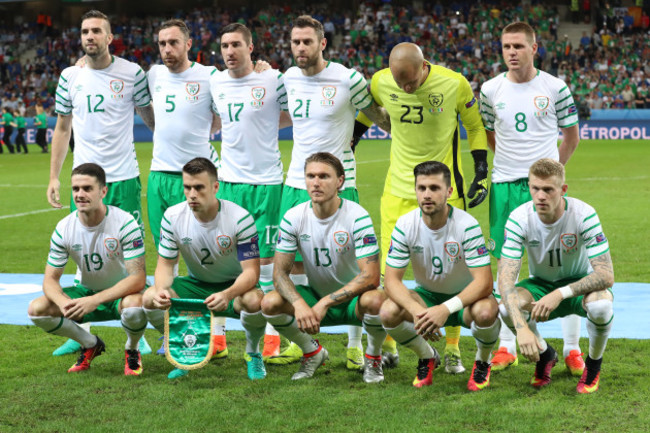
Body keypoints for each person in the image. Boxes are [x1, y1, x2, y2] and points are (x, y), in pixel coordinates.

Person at [355, 42, 489, 373]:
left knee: (452, 272)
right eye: (400, 84)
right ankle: (391, 342)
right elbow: (365, 111)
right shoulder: (380, 81)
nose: (406, 88)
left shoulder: (453, 82)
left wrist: (482, 171)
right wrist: (351, 142)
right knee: (390, 273)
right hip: (397, 191)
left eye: (411, 82)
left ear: (423, 66)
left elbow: (474, 126)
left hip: (444, 190)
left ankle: (454, 347)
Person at [277, 15, 390, 369]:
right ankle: (304, 341)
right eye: (295, 42)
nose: (300, 48)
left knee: (349, 262)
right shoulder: (288, 79)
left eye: (307, 41)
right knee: (294, 262)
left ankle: (355, 344)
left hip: (343, 183)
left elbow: (380, 117)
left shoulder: (347, 78)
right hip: (295, 182)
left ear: (322, 43)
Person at [47, 9, 154, 356]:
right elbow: (63, 129)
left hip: (122, 178)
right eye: (84, 31)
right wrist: (54, 177)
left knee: (130, 259)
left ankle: (135, 330)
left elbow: (150, 118)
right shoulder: (69, 77)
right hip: (85, 178)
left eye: (96, 31)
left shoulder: (133, 73)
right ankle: (81, 329)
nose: (89, 36)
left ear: (110, 37)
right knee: (84, 252)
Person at [480, 22, 583, 375]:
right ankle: (509, 345)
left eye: (518, 46)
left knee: (562, 262)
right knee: (505, 264)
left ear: (534, 47)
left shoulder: (555, 87)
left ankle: (572, 348)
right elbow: (492, 137)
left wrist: (550, 175)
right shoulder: (490, 89)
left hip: (542, 186)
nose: (511, 52)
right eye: (506, 46)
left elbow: (571, 137)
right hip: (505, 185)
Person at [261, 152, 387, 383]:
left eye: (323, 176)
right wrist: (299, 304)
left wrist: (324, 303)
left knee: (376, 300)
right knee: (270, 303)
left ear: (340, 181)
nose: (316, 182)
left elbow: (371, 277)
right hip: (315, 299)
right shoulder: (293, 217)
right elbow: (279, 274)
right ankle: (312, 352)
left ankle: (374, 357)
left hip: (353, 302)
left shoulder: (357, 216)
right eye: (310, 176)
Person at [209, 22, 292, 360]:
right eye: (225, 46)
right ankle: (217, 339)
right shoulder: (214, 81)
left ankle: (271, 340)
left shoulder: (272, 79)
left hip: (267, 184)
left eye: (236, 45)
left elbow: (291, 113)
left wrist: (267, 120)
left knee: (269, 263)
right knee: (224, 261)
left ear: (250, 47)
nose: (230, 51)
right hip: (228, 183)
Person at [142, 157, 267, 380]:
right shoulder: (172, 217)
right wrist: (162, 289)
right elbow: (165, 265)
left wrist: (227, 294)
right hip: (196, 286)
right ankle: (186, 350)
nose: (192, 194)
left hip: (233, 287)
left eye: (199, 187)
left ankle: (253, 353)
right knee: (150, 297)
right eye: (187, 187)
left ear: (215, 187)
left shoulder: (240, 218)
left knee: (255, 301)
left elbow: (251, 273)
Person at [146, 19, 227, 358]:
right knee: (167, 257)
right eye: (162, 43)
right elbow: (152, 117)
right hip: (159, 176)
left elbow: (228, 111)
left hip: (196, 177)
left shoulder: (210, 76)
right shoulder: (152, 74)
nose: (167, 49)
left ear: (188, 43)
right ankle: (174, 333)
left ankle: (217, 336)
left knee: (208, 257)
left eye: (174, 42)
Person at [498, 158, 614, 394]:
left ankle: (593, 366)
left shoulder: (584, 214)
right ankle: (545, 355)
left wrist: (560, 294)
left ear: (563, 190)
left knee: (602, 306)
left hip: (578, 285)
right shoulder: (519, 218)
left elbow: (606, 274)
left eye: (548, 190)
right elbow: (505, 280)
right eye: (535, 188)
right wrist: (522, 329)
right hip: (539, 285)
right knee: (506, 308)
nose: (540, 196)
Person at [380, 161, 499, 390]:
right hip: (427, 298)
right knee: (388, 311)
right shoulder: (405, 225)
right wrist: (419, 313)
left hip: (466, 300)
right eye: (421, 188)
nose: (427, 194)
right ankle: (427, 356)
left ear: (449, 192)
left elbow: (484, 283)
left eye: (434, 188)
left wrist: (445, 309)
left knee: (486, 312)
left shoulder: (467, 225)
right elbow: (392, 280)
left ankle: (482, 362)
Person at [27, 163, 147, 375]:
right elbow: (50, 280)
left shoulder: (125, 223)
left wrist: (95, 300)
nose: (80, 194)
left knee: (136, 306)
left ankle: (132, 348)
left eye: (87, 188)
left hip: (121, 295)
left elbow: (137, 279)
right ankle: (90, 344)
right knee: (37, 310)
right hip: (85, 294)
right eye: (75, 189)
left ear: (103, 191)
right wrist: (64, 303)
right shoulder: (64, 228)